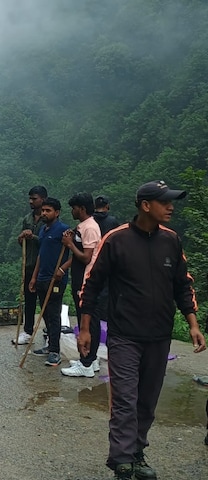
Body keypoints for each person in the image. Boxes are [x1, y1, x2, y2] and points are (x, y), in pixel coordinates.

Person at [78, 180, 206, 479]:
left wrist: (193, 323)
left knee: (147, 400)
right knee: (125, 398)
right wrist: (85, 328)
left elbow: (182, 284)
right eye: (165, 202)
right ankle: (122, 459)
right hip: (125, 335)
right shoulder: (116, 240)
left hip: (159, 336)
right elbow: (91, 284)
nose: (171, 207)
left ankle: (137, 452)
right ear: (146, 205)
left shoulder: (171, 241)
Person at [59, 193, 102, 378]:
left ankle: (86, 363)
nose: (72, 211)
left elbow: (86, 257)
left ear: (82, 209)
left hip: (86, 281)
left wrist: (69, 245)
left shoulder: (91, 227)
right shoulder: (82, 226)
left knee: (89, 321)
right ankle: (90, 359)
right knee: (88, 319)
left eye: (74, 207)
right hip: (80, 279)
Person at [28, 197, 70, 367]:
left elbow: (76, 254)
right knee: (45, 313)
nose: (44, 213)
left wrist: (62, 269)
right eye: (43, 210)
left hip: (56, 280)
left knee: (53, 314)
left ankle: (55, 351)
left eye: (48, 211)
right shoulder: (44, 231)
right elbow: (40, 256)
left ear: (57, 212)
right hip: (42, 278)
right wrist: (33, 277)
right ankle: (49, 346)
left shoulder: (64, 230)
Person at [15, 186, 48, 345]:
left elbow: (48, 242)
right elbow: (21, 242)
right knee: (29, 300)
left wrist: (33, 236)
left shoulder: (48, 219)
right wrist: (22, 237)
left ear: (42, 199)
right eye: (30, 198)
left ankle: (49, 333)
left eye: (34, 198)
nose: (31, 201)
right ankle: (28, 331)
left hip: (43, 267)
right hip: (28, 265)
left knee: (45, 301)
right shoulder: (27, 219)